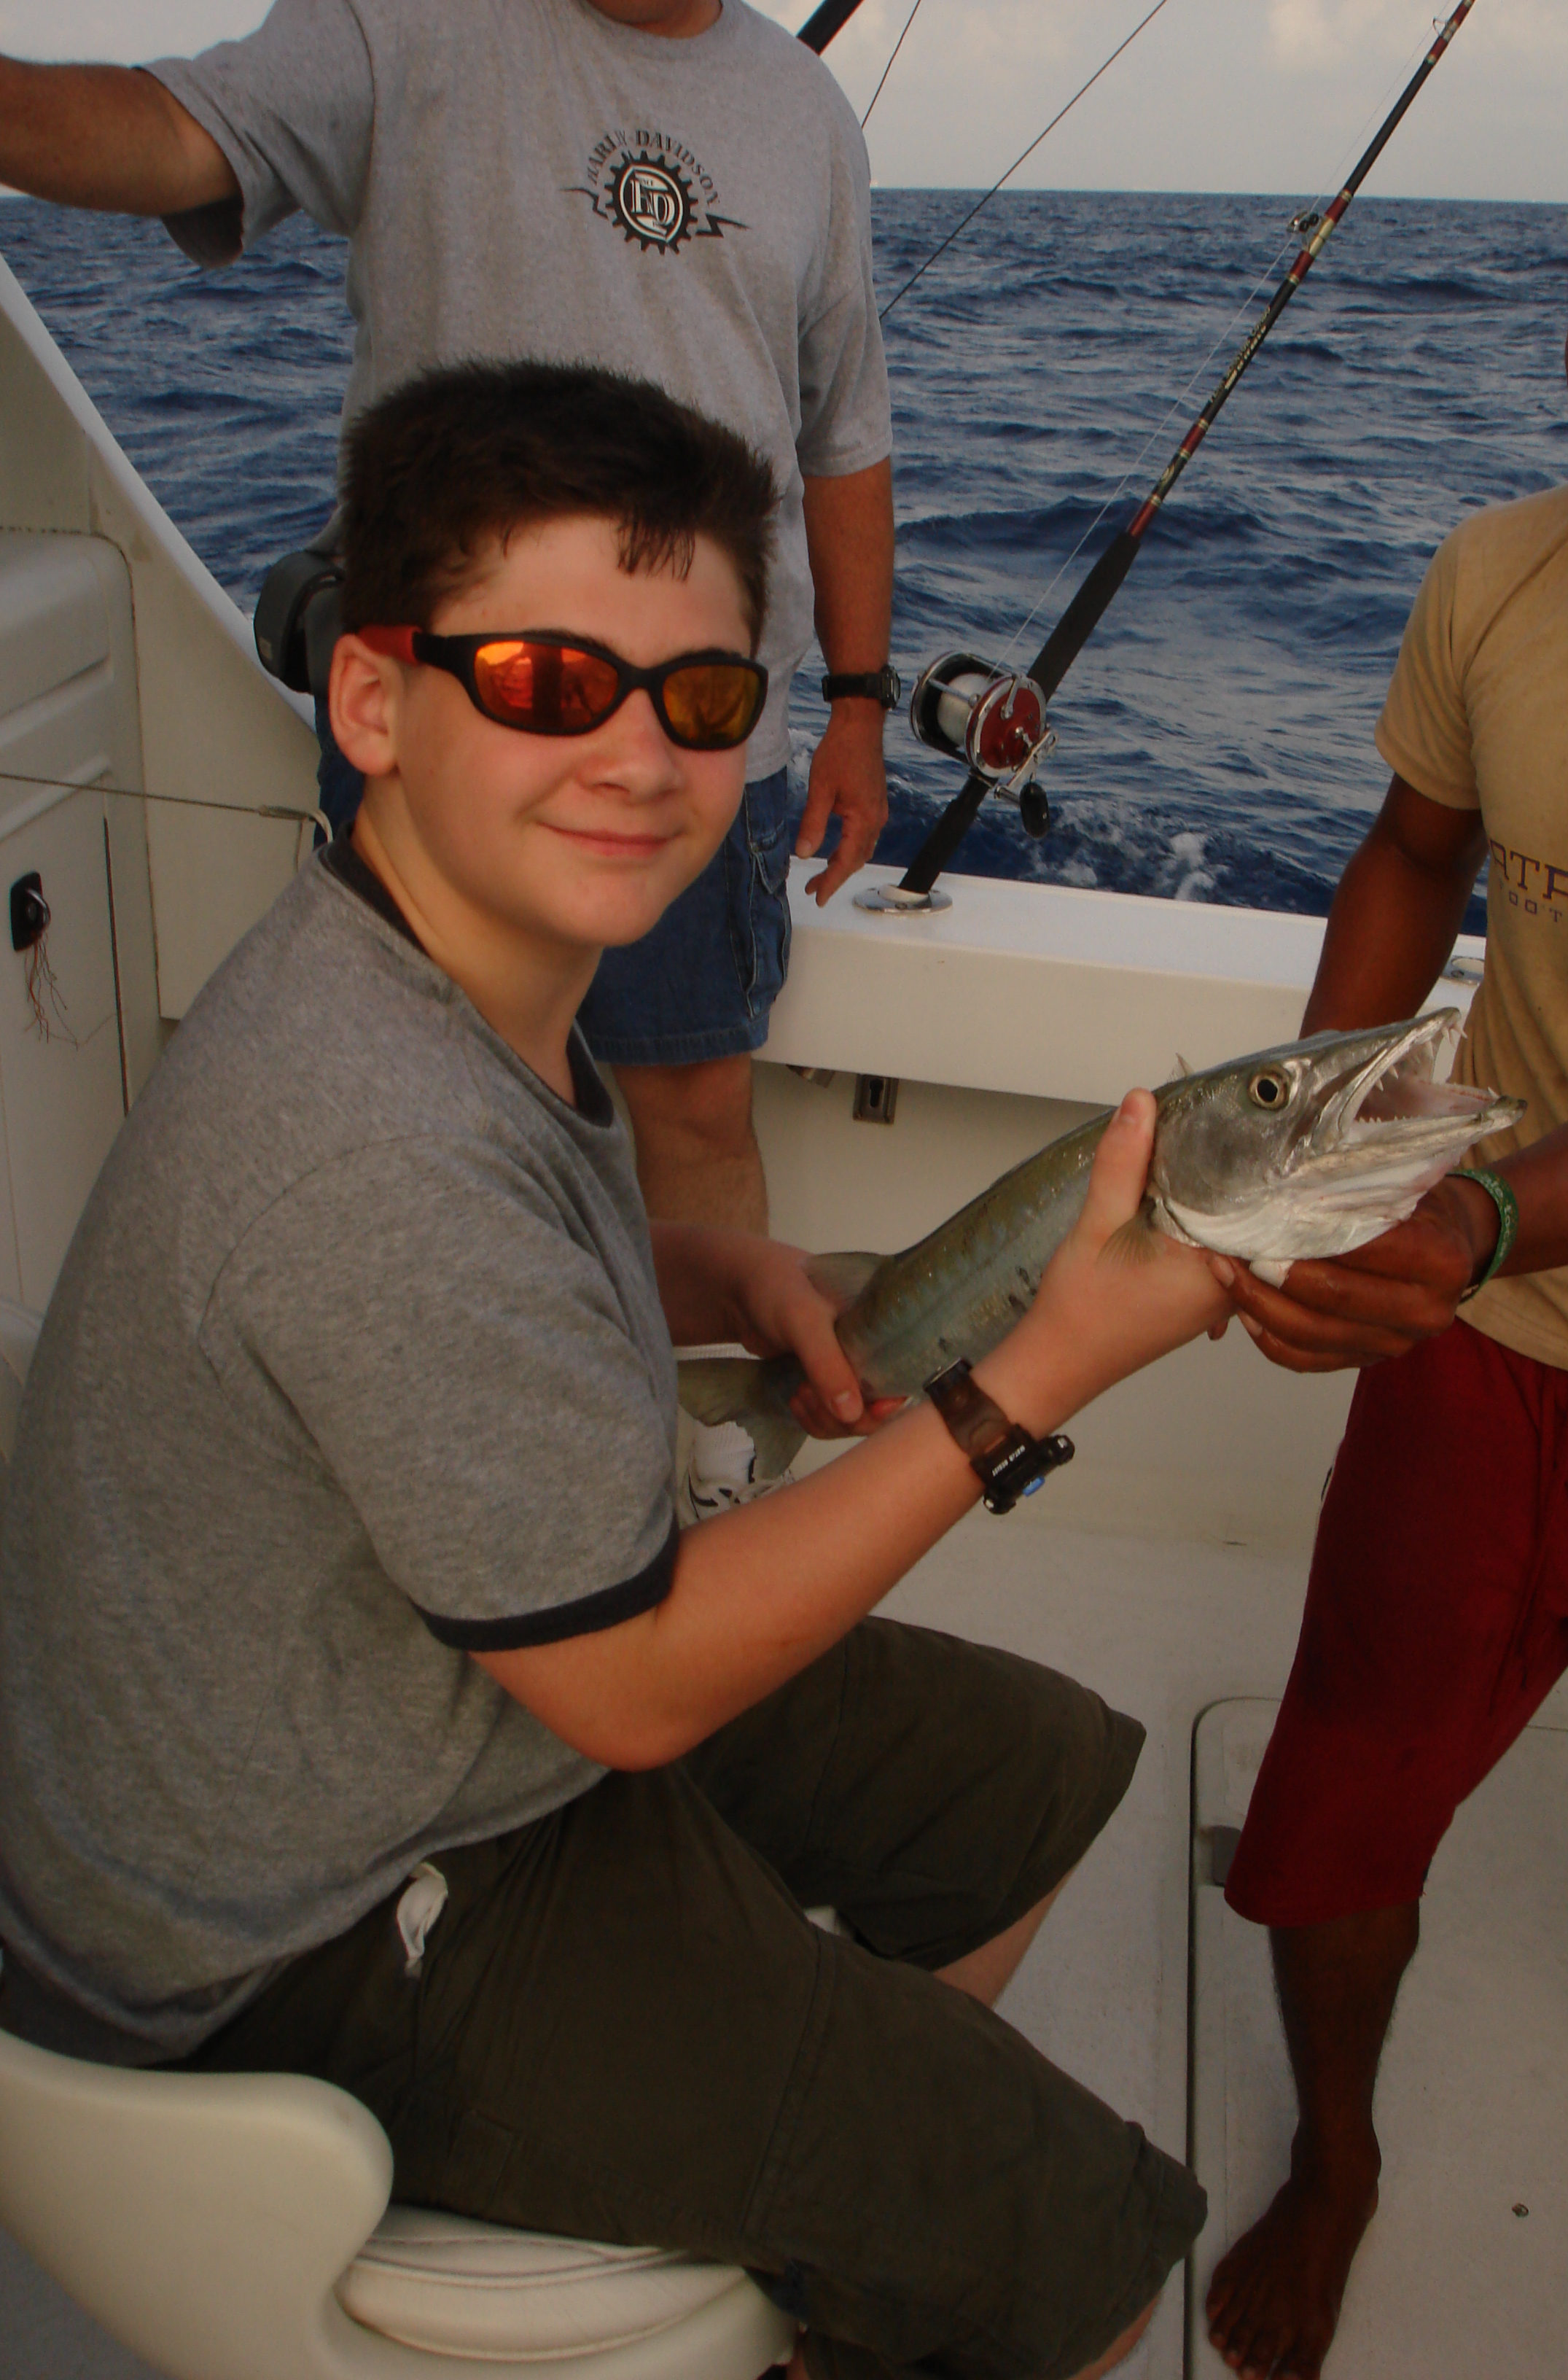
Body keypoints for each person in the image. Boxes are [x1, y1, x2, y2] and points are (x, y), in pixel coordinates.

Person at [0, 359, 1229, 2380]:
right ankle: (879, 2204)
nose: (640, 756)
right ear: (373, 701)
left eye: (703, 695)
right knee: (1081, 2261)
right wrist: (1038, 1377)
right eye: (550, 682)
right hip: (282, 1928)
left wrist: (719, 1269)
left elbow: (479, 1301)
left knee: (1017, 1781)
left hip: (411, 1706)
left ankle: (827, 2226)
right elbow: (636, 1686)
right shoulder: (368, 1141)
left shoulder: (452, 967)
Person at [1195, 73, 1568, 2380]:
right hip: (1481, 1321)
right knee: (1345, 1788)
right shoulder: (1495, 573)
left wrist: (1466, 1222)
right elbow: (1411, 854)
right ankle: (1339, 2155)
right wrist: (1313, 1162)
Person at [0, 0, 895, 1252]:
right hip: (464, 722)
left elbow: (844, 434)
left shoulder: (806, 113)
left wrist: (858, 702)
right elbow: (173, 132)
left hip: (697, 730)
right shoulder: (405, 17)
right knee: (424, 1101)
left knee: (695, 1106)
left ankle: (685, 1388)